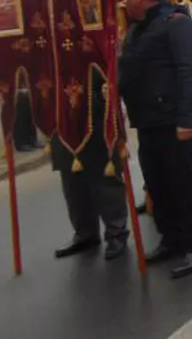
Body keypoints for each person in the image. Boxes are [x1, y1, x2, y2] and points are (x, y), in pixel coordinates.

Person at [119, 0, 192, 280]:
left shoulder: (176, 23)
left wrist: (186, 119)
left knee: (182, 185)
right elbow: (130, 68)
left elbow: (188, 71)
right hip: (147, 120)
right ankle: (171, 239)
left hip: (171, 120)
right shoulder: (136, 28)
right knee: (157, 184)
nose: (124, 0)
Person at [53, 72, 129, 261]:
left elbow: (110, 64)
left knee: (105, 178)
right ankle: (85, 232)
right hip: (62, 112)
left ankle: (116, 231)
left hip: (94, 108)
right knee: (72, 181)